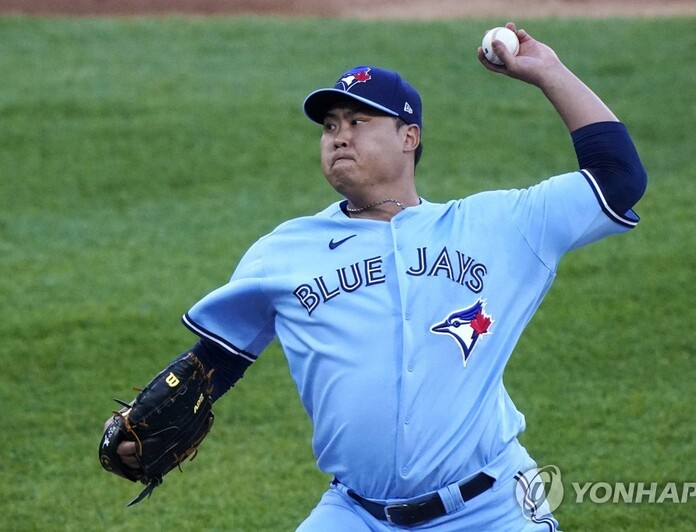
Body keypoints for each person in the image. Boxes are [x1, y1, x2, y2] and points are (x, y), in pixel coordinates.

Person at [104, 22, 646, 531]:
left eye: (359, 122)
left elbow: (619, 179)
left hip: (491, 506)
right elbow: (219, 358)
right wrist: (141, 424)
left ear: (409, 137)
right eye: (331, 126)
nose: (339, 136)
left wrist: (548, 71)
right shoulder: (284, 251)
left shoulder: (499, 225)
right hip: (355, 514)